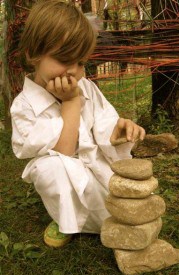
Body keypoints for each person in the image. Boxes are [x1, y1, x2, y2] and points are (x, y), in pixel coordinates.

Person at [10, 0, 145, 248]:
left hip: (95, 171)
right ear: (33, 54)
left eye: (81, 62)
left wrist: (119, 130)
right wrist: (71, 103)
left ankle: (102, 217)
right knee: (51, 169)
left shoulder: (87, 87)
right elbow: (62, 151)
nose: (73, 71)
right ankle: (65, 218)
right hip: (65, 176)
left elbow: (104, 121)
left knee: (122, 201)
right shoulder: (24, 106)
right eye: (64, 59)